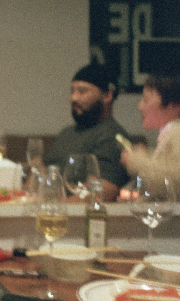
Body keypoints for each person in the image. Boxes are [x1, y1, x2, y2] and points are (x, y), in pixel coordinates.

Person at [44, 63, 130, 202]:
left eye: (82, 91)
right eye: (72, 91)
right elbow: (43, 171)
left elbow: (104, 190)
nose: (73, 98)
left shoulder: (112, 136)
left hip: (79, 213)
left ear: (107, 95)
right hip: (48, 207)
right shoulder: (66, 133)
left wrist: (57, 208)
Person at [120, 72, 180, 202]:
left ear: (174, 105)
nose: (140, 106)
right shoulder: (173, 132)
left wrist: (136, 159)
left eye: (146, 100)